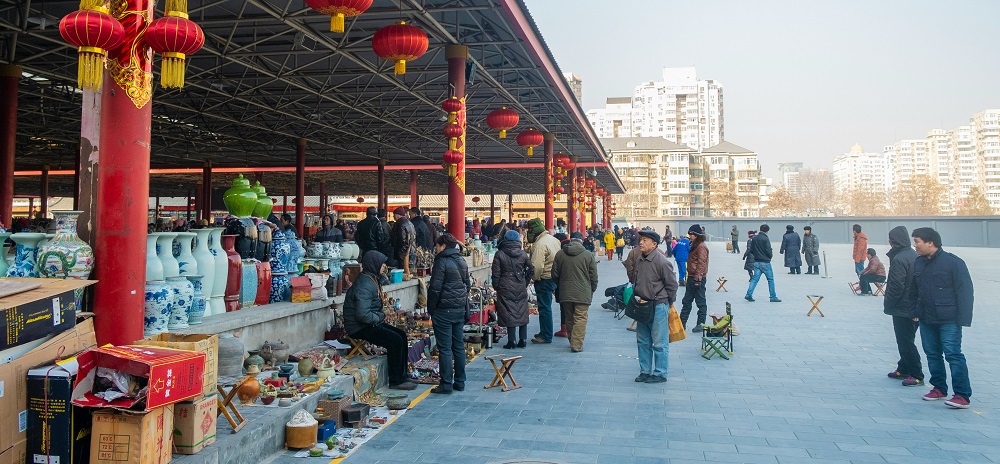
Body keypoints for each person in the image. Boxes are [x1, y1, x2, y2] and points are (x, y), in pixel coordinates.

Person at [909, 227, 974, 408]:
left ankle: (962, 395)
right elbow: (915, 291)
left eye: (917, 241)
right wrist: (914, 311)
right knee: (932, 354)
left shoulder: (953, 263)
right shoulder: (919, 263)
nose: (915, 246)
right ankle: (939, 388)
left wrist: (963, 319)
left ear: (930, 242)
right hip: (926, 318)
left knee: (953, 355)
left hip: (949, 319)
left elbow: (965, 291)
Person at [342, 251, 416, 391]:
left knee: (401, 335)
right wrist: (380, 317)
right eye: (382, 264)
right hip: (359, 327)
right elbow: (362, 315)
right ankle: (396, 380)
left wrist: (379, 317)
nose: (384, 266)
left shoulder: (371, 279)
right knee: (394, 340)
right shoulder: (364, 284)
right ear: (374, 264)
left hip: (370, 322)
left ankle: (403, 375)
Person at [633, 229, 678, 383]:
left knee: (659, 342)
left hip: (658, 305)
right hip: (642, 304)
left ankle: (660, 373)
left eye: (645, 240)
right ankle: (645, 370)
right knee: (643, 340)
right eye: (641, 239)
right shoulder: (640, 259)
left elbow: (672, 285)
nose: (641, 242)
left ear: (654, 244)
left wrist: (667, 302)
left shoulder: (662, 261)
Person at [427, 233, 471, 394]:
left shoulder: (441, 262)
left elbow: (435, 288)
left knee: (445, 348)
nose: (436, 249)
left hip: (444, 310)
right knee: (458, 346)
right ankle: (460, 381)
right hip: (459, 309)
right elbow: (467, 284)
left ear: (443, 246)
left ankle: (446, 383)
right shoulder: (461, 260)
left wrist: (431, 308)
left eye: (437, 246)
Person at [884, 226, 923, 387]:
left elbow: (896, 285)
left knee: (905, 341)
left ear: (894, 240)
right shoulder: (913, 255)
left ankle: (916, 374)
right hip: (913, 305)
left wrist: (889, 303)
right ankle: (903, 368)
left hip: (903, 307)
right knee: (908, 338)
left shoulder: (900, 258)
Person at [552, 232, 599, 352]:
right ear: (581, 241)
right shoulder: (588, 255)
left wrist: (561, 285)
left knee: (569, 317)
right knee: (580, 318)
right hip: (583, 291)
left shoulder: (560, 254)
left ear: (570, 240)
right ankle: (576, 344)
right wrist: (592, 288)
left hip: (565, 291)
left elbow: (554, 274)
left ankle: (572, 339)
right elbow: (593, 276)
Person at [492, 230, 534, 349]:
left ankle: (511, 341)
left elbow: (496, 274)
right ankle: (523, 339)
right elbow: (531, 270)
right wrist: (524, 281)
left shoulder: (499, 254)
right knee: (522, 311)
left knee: (508, 311)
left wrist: (497, 286)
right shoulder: (523, 254)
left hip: (505, 285)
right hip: (520, 284)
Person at [526, 218, 561, 344]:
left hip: (545, 278)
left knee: (544, 307)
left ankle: (546, 334)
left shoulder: (540, 244)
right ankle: (546, 332)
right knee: (549, 306)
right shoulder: (554, 239)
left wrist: (535, 278)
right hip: (555, 276)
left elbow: (537, 266)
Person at [679, 224, 709, 332]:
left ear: (696, 235)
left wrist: (698, 279)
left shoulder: (701, 246)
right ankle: (682, 323)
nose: (689, 236)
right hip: (691, 277)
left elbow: (701, 263)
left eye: (691, 234)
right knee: (686, 301)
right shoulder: (695, 245)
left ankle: (700, 324)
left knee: (700, 302)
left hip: (697, 278)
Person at [745, 224, 780, 302]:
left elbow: (751, 250)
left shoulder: (754, 238)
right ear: (767, 231)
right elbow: (768, 250)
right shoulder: (765, 239)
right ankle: (773, 296)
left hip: (757, 262)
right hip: (765, 262)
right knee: (770, 279)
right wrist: (769, 257)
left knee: (754, 279)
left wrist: (756, 256)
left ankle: (748, 294)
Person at [390, 207, 415, 274]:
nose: (393, 217)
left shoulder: (399, 224)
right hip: (411, 250)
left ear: (398, 214)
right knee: (410, 271)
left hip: (403, 252)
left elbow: (402, 240)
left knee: (403, 272)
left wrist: (401, 254)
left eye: (394, 215)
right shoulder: (410, 223)